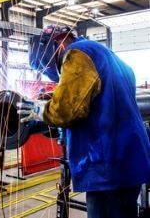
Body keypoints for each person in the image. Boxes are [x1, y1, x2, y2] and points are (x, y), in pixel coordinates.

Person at [17, 25, 150, 218]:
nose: (48, 73)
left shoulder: (77, 54)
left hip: (108, 167)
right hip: (129, 160)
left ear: (57, 45)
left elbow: (65, 111)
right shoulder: (106, 54)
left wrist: (40, 110)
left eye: (45, 67)